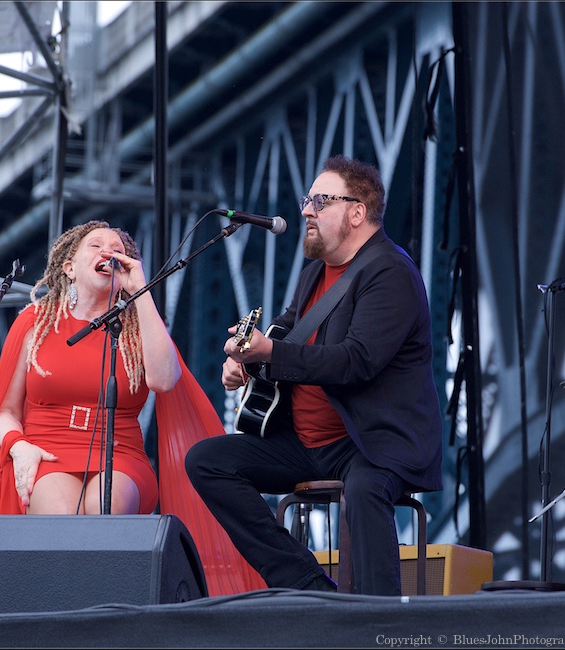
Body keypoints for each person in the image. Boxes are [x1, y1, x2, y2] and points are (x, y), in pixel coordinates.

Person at [185, 155, 443, 596]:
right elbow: (286, 331)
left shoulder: (391, 272)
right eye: (308, 200)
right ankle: (306, 584)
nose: (306, 210)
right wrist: (247, 359)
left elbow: (356, 361)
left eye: (320, 201)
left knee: (364, 491)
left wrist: (272, 353)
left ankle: (378, 620)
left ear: (357, 212)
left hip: (368, 442)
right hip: (305, 444)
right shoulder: (313, 275)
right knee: (207, 462)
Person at [0, 220, 181, 515]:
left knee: (105, 509)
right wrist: (19, 447)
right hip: (46, 450)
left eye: (118, 250)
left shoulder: (139, 328)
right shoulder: (34, 322)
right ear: (70, 268)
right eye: (96, 246)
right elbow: (5, 412)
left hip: (119, 455)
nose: (109, 253)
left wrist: (141, 291)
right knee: (61, 517)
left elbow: (165, 380)